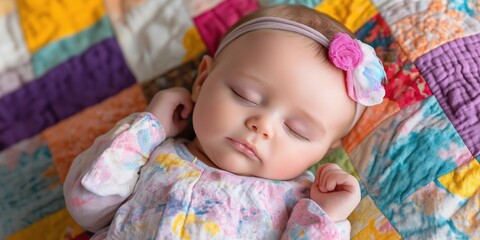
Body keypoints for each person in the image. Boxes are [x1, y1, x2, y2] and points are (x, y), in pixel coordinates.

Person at [64, 4, 386, 239]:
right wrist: (149, 126)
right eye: (244, 95)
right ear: (203, 80)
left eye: (296, 130)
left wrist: (325, 216)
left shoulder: (297, 206)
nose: (263, 125)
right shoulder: (152, 155)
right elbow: (87, 207)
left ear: (322, 153)